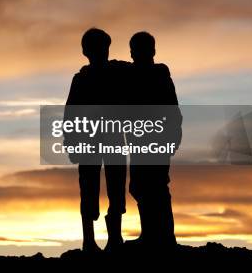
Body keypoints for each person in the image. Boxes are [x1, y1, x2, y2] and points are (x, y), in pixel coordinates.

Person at [64, 28, 127, 253]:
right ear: (86, 51)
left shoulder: (118, 71)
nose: (102, 52)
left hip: (113, 138)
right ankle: (89, 241)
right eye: (98, 47)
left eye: (104, 47)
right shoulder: (81, 79)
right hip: (89, 140)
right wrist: (71, 142)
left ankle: (114, 239)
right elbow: (70, 114)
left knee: (116, 186)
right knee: (89, 189)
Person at [125, 31, 182, 248]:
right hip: (139, 141)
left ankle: (165, 236)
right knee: (140, 186)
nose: (133, 55)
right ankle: (151, 234)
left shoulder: (159, 73)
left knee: (156, 186)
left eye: (137, 50)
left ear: (152, 51)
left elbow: (172, 109)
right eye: (132, 50)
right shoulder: (132, 73)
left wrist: (174, 135)